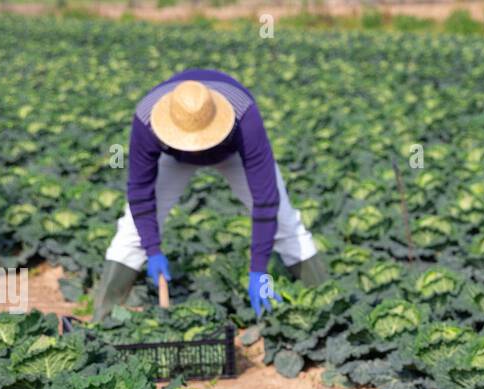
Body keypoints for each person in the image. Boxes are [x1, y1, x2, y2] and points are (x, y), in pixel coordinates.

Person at [93, 72, 326, 322]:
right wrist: (152, 248)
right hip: (173, 157)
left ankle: (328, 305)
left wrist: (259, 269)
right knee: (131, 231)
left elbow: (266, 199)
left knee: (285, 222)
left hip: (232, 153)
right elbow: (140, 191)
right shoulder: (146, 120)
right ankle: (102, 321)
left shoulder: (244, 115)